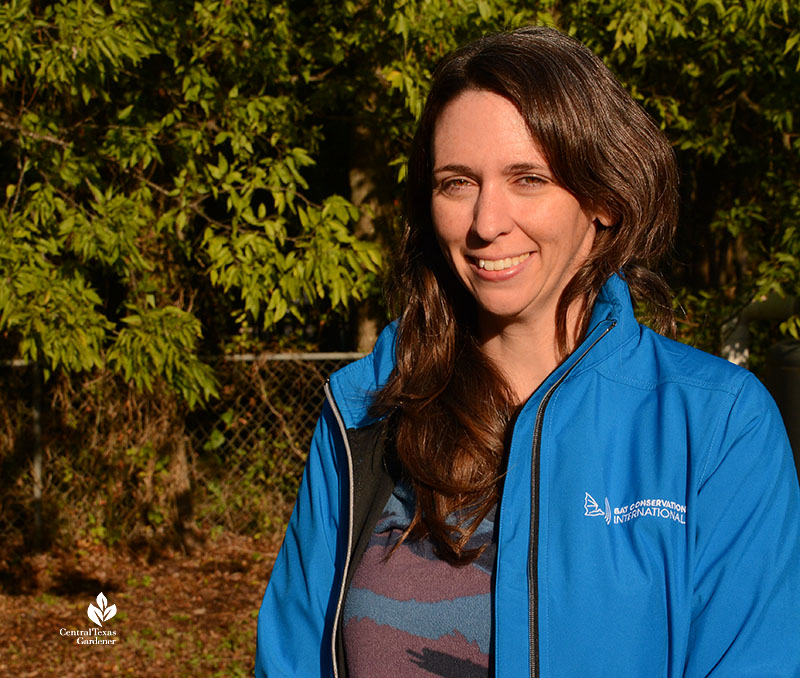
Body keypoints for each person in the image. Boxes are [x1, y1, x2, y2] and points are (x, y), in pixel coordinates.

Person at [255, 26, 800, 677]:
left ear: (602, 197)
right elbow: (290, 660)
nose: (487, 222)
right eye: (457, 182)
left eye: (528, 178)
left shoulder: (715, 426)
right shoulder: (365, 412)